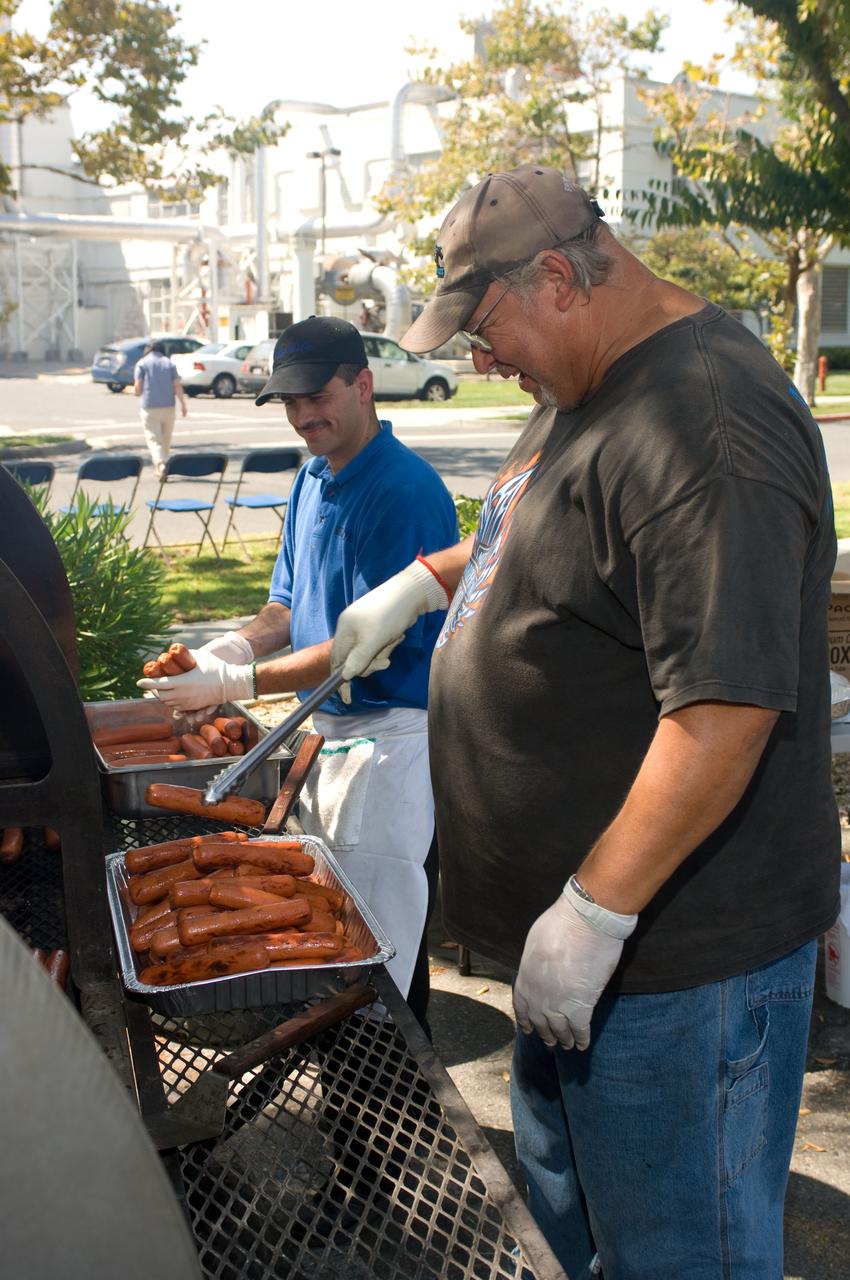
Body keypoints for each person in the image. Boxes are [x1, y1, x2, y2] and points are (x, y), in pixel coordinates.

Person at [328, 165, 840, 1279]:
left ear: (555, 275)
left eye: (484, 325)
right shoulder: (590, 385)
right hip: (578, 958)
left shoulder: (706, 423)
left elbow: (726, 705)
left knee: (681, 1255)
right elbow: (574, 543)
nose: (476, 359)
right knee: (575, 1244)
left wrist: (596, 913)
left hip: (674, 963)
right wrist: (426, 580)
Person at [138, 316, 458, 1028]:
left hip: (388, 745)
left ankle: (393, 1113)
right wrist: (225, 652)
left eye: (317, 395)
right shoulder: (314, 478)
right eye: (289, 401)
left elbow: (355, 652)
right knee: (329, 945)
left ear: (363, 383)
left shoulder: (403, 492)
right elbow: (285, 607)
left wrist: (233, 687)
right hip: (328, 737)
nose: (303, 415)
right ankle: (350, 1109)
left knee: (381, 974)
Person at [134, 340, 188, 478]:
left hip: (149, 406)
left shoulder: (142, 363)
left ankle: (160, 464)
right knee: (166, 439)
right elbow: (177, 385)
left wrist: (138, 393)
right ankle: (162, 464)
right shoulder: (168, 363)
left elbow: (138, 387)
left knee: (153, 439)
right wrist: (183, 404)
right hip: (168, 406)